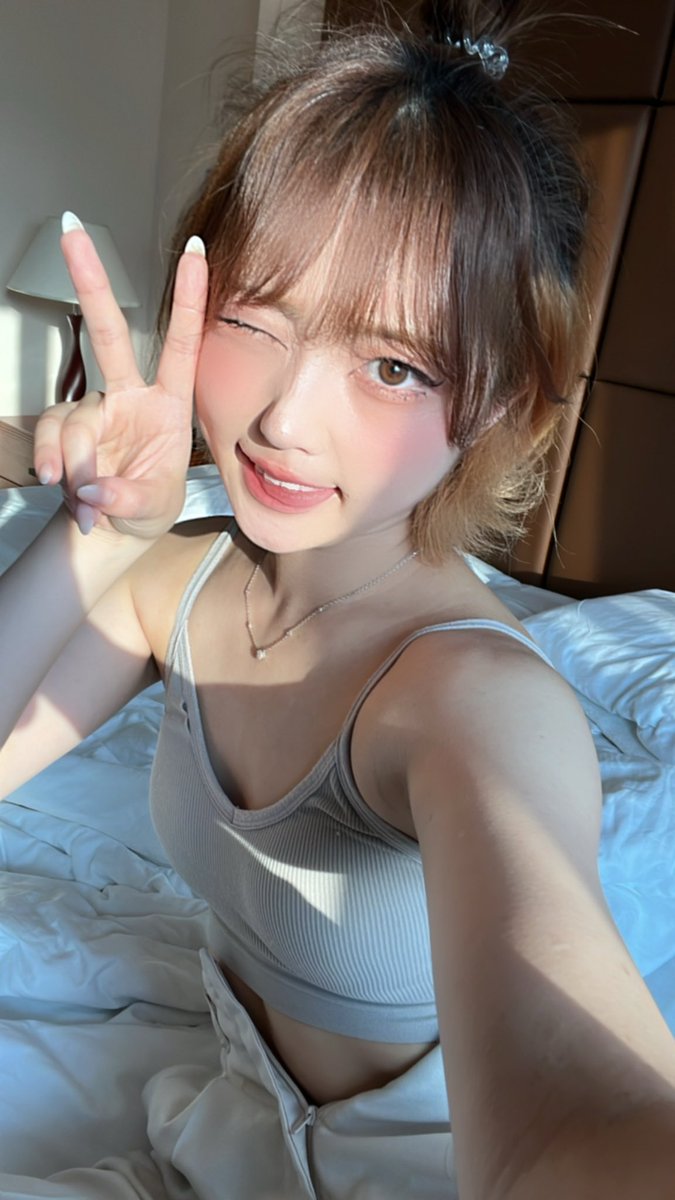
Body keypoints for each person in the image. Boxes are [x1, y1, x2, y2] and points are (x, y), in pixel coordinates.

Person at [1, 2, 674, 1197]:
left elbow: (571, 1113)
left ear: (500, 405)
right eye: (256, 319)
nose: (283, 422)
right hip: (217, 1130)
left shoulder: (473, 701)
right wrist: (96, 534)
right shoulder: (176, 583)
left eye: (394, 365)